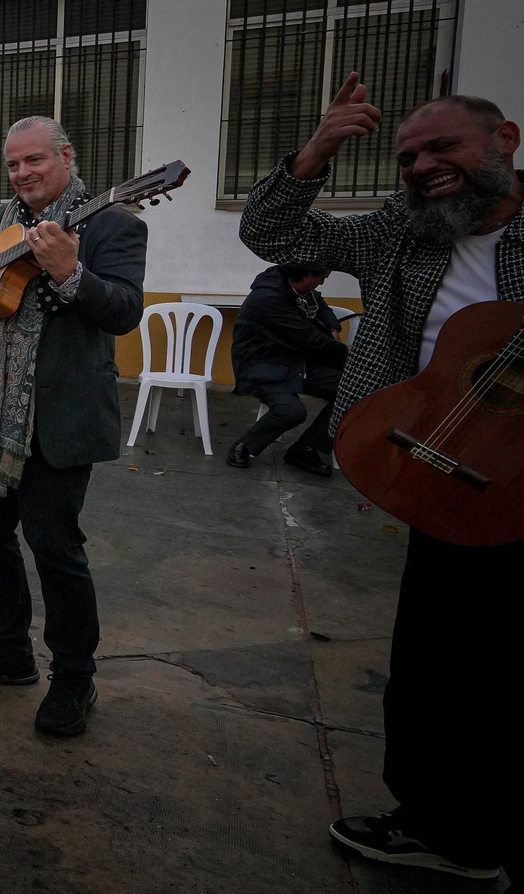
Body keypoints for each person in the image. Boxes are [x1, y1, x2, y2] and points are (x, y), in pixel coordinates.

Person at [239, 76, 521, 887]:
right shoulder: (403, 230)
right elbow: (272, 230)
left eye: (442, 147)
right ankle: (442, 825)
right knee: (438, 663)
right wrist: (319, 148)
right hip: (441, 473)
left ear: (505, 141)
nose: (422, 165)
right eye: (407, 155)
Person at [0, 116, 146, 737]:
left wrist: (72, 272)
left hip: (57, 418)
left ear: (67, 155)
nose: (22, 174)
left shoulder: (114, 223)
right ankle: (8, 649)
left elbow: (124, 311)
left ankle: (74, 675)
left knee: (56, 549)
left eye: (34, 161)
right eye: (13, 165)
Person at [226, 263, 346, 474]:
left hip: (296, 362)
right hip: (262, 365)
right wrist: (346, 352)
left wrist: (333, 327)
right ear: (307, 274)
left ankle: (306, 448)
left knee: (353, 391)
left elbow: (320, 302)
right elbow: (308, 338)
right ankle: (244, 446)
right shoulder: (269, 299)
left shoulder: (299, 288)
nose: (322, 282)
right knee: (292, 411)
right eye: (322, 277)